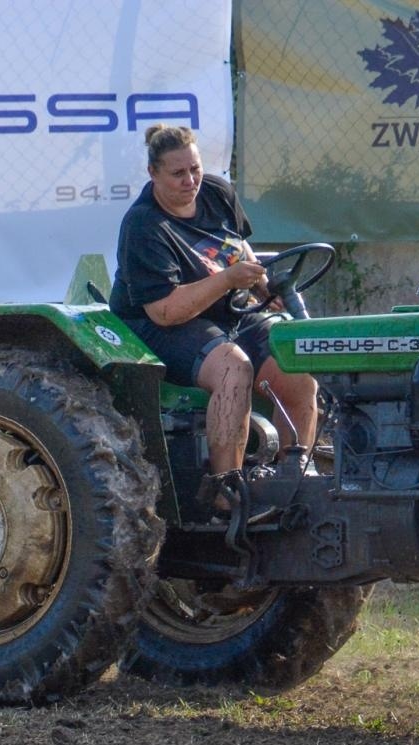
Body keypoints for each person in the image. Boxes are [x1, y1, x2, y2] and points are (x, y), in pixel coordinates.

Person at [109, 124, 319, 513]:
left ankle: (293, 477)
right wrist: (227, 279)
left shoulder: (217, 193)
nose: (190, 181)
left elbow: (239, 248)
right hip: (158, 325)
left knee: (297, 363)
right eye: (178, 173)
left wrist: (262, 287)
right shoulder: (143, 225)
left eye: (195, 169)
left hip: (227, 311)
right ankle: (227, 492)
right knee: (233, 368)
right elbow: (165, 311)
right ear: (153, 173)